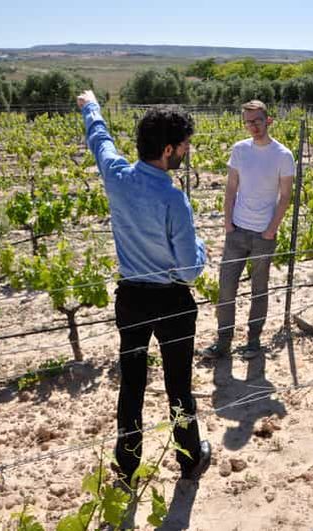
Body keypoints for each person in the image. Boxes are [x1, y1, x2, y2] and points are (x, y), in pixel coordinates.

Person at [76, 90, 211, 487]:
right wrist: (202, 245)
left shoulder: (116, 175)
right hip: (172, 301)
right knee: (178, 386)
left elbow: (100, 142)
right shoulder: (173, 199)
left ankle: (128, 465)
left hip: (131, 298)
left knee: (132, 382)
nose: (186, 152)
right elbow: (189, 271)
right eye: (184, 146)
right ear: (168, 149)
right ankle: (189, 459)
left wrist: (91, 108)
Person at [202, 100, 295, 360]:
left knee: (259, 289)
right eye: (248, 121)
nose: (252, 126)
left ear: (269, 121)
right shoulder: (239, 150)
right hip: (237, 231)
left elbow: (285, 196)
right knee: (226, 288)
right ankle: (223, 341)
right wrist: (228, 223)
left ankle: (253, 342)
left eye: (256, 120)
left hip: (264, 235)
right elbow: (231, 187)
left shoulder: (283, 155)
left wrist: (270, 230)